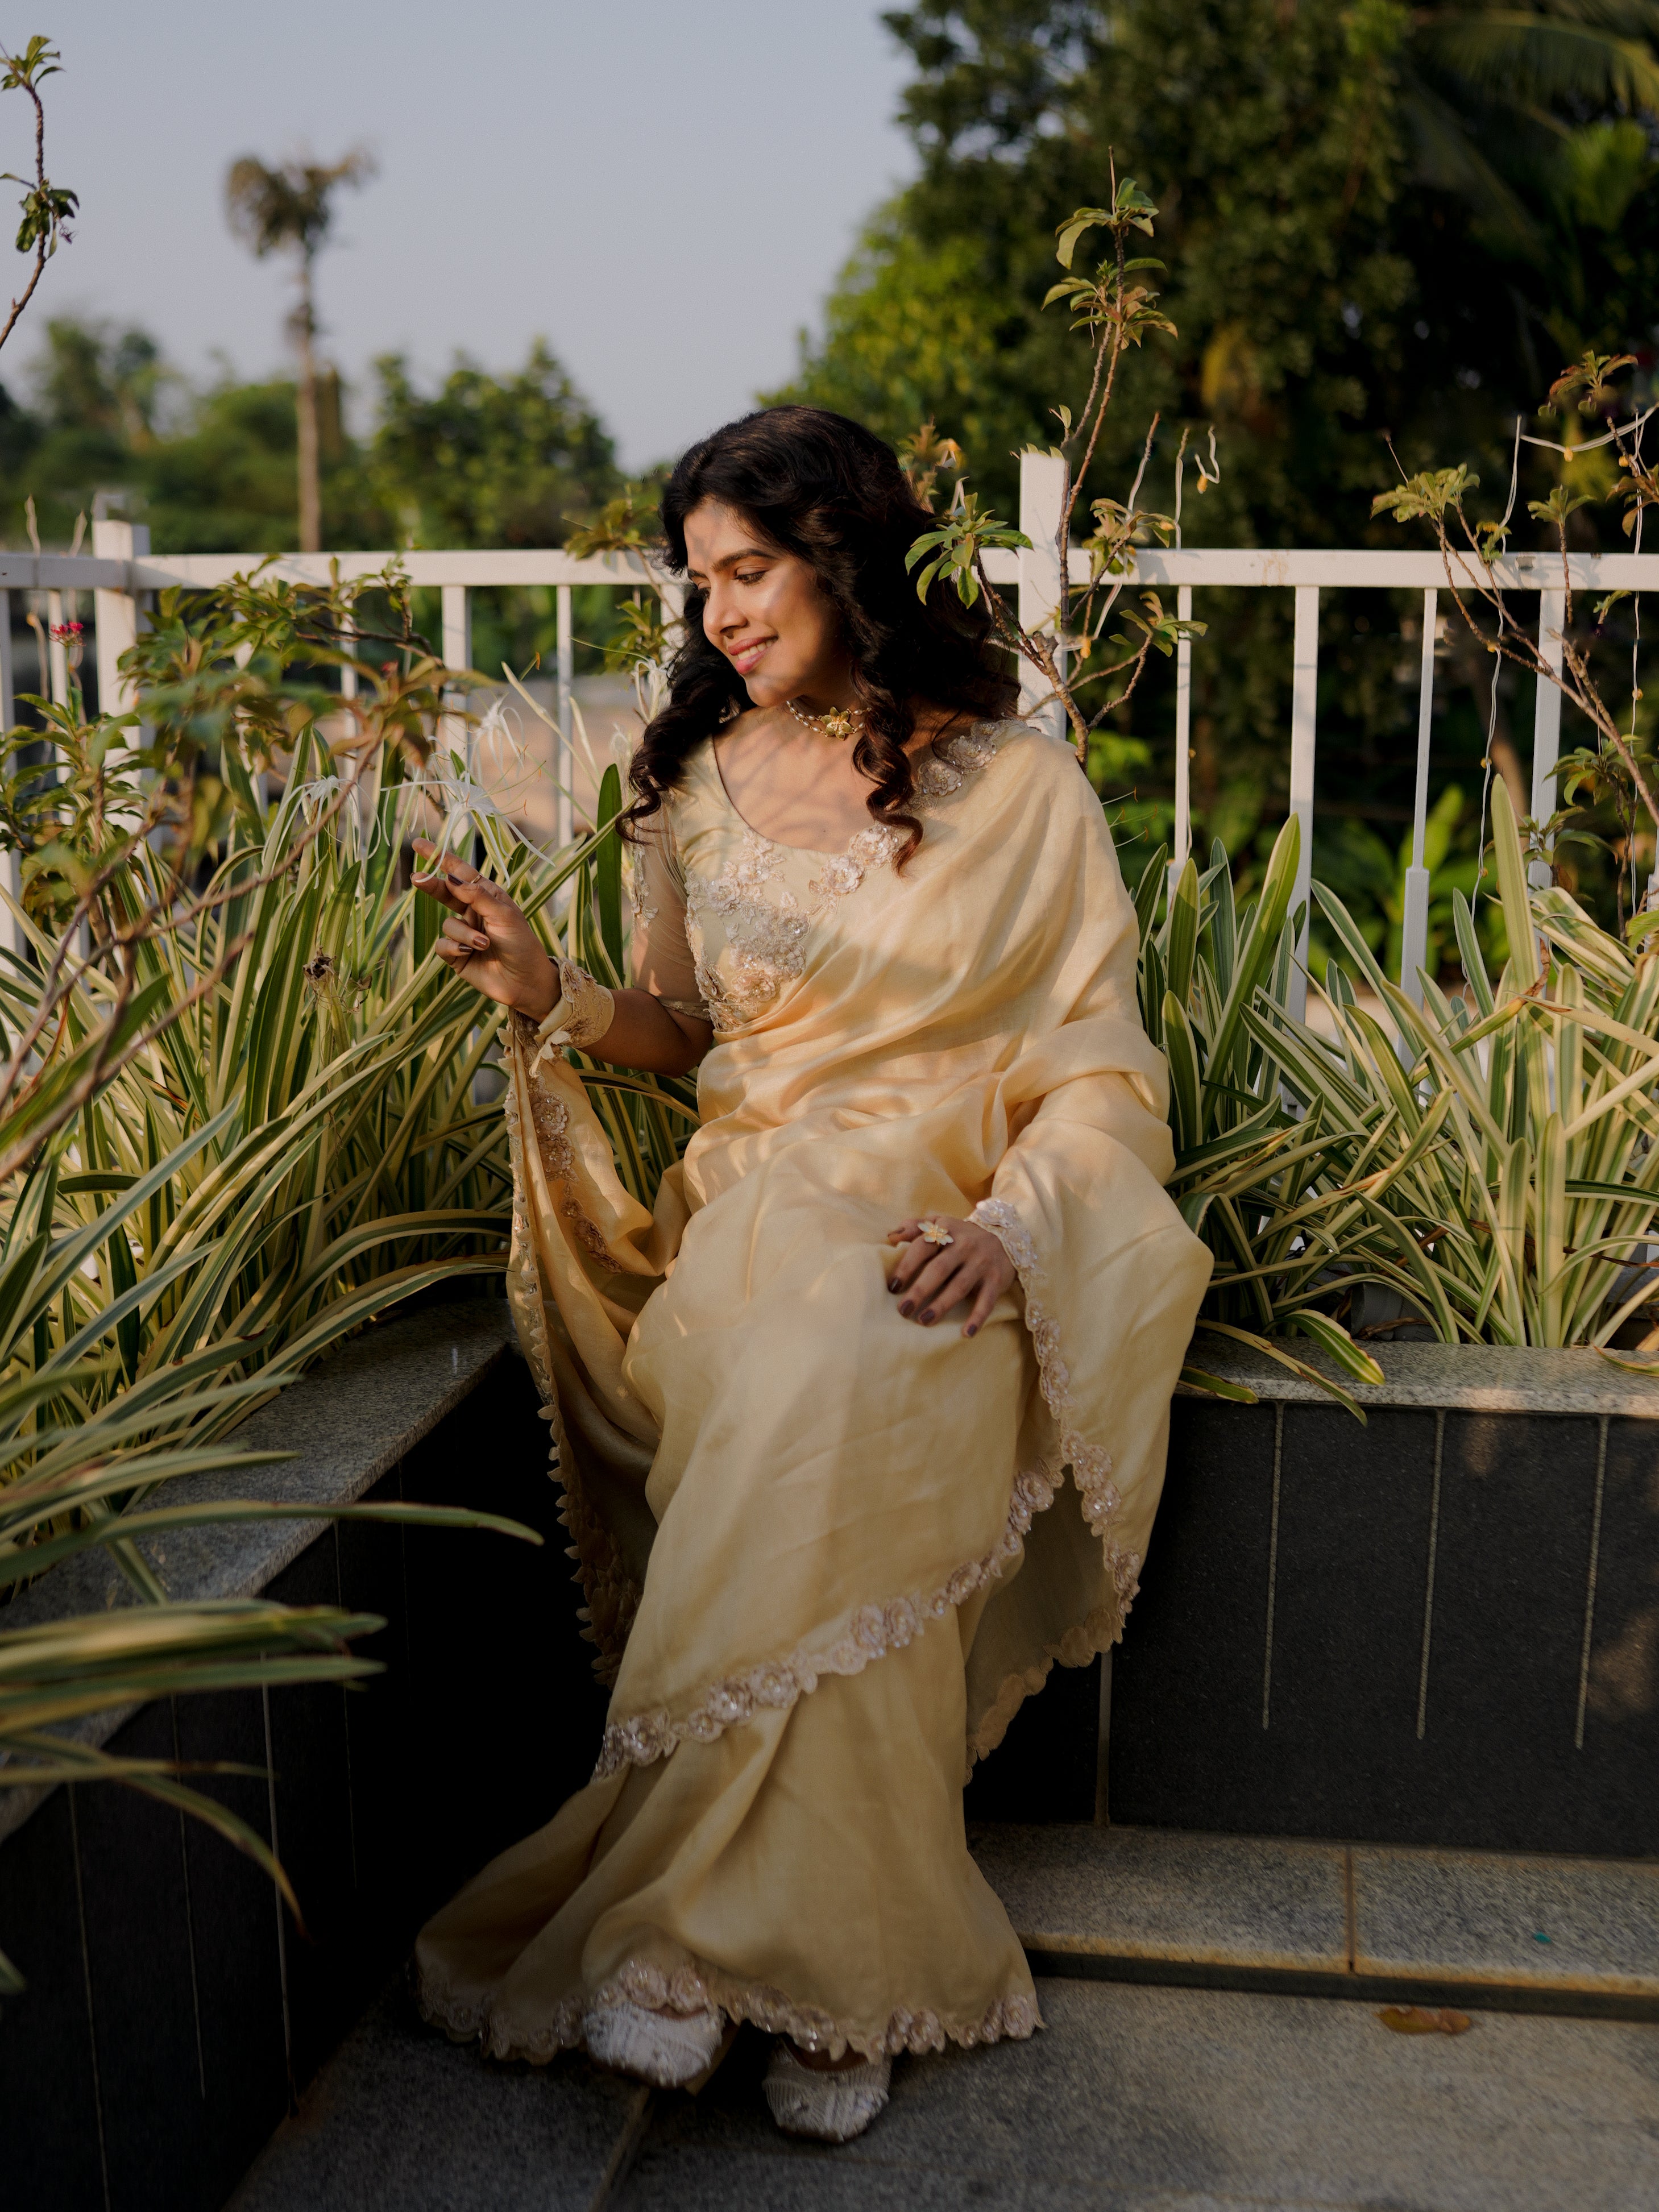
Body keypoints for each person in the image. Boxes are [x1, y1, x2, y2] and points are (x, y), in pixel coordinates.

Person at [410, 405, 1211, 2143]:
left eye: (749, 573)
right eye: (699, 583)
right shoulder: (687, 782)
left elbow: (1097, 1071)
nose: (718, 617)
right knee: (810, 1355)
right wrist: (551, 993)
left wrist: (1013, 1234)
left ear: (846, 556)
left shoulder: (1022, 790)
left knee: (882, 1352)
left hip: (950, 1219)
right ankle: (742, 1955)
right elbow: (682, 1027)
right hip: (758, 1206)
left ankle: (784, 1970)